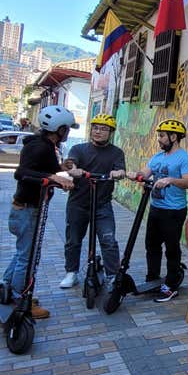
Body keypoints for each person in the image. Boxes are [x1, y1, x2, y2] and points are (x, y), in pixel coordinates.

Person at [1, 105, 76, 319]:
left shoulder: (43, 144)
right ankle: (20, 298)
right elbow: (22, 172)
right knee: (28, 256)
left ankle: (6, 286)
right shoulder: (40, 147)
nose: (68, 132)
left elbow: (39, 168)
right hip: (27, 210)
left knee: (22, 253)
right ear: (60, 129)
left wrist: (61, 168)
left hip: (25, 209)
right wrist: (54, 178)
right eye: (67, 129)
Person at [126, 119, 188, 302]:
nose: (159, 139)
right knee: (152, 245)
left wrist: (171, 180)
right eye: (159, 136)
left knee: (171, 248)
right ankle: (153, 279)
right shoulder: (158, 157)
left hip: (174, 211)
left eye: (162, 136)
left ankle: (171, 286)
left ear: (174, 137)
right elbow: (144, 173)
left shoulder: (183, 157)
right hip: (156, 209)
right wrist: (135, 175)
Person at [59, 114, 126, 290]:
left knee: (108, 240)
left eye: (104, 129)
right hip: (78, 203)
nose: (98, 131)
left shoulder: (116, 152)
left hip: (102, 205)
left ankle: (112, 276)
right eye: (95, 127)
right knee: (73, 240)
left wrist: (118, 173)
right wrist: (73, 169)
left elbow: (120, 169)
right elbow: (70, 163)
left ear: (110, 132)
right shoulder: (79, 149)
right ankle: (71, 273)